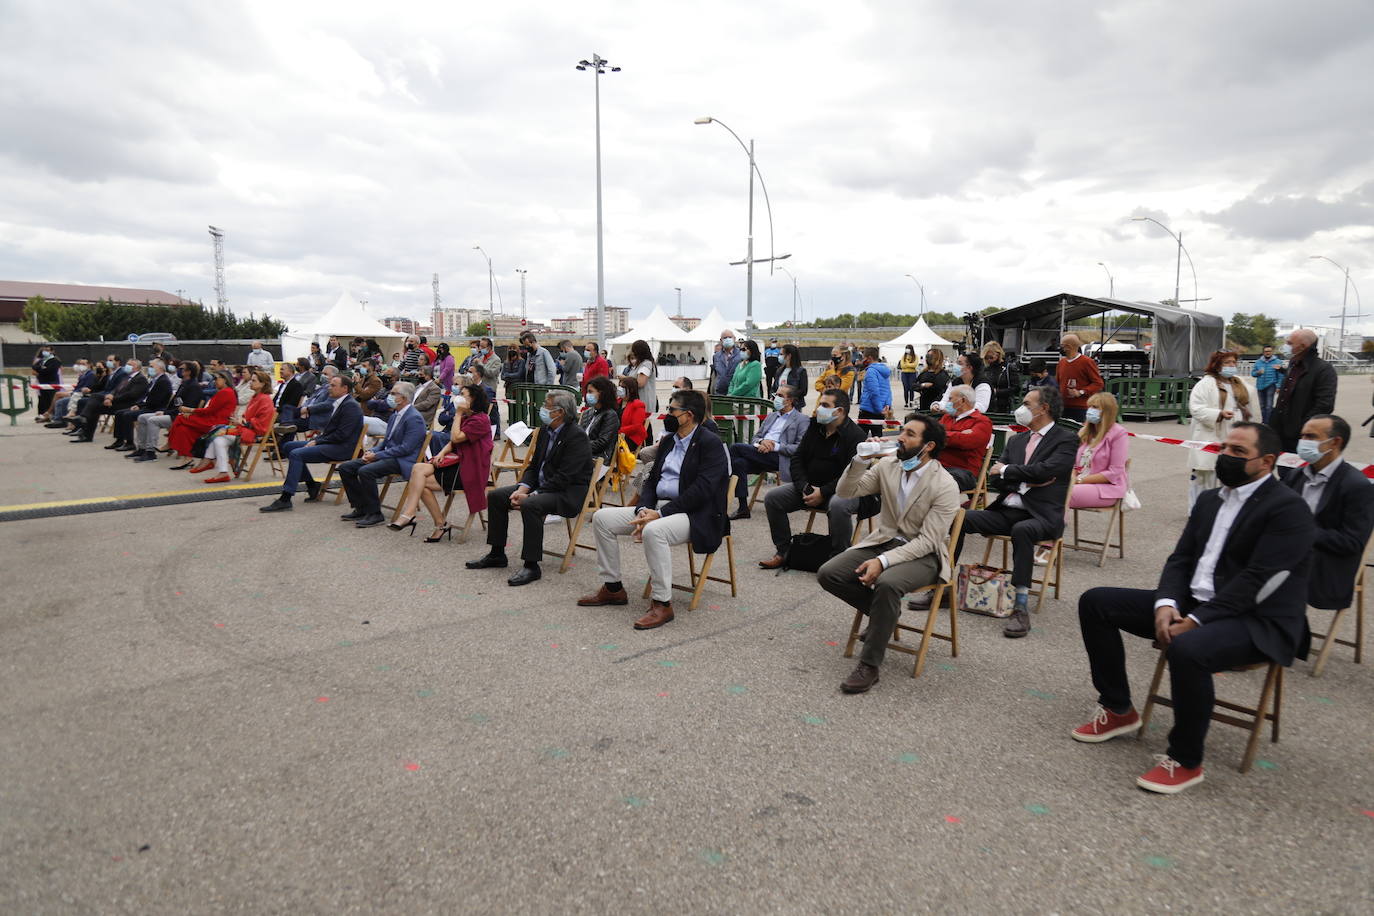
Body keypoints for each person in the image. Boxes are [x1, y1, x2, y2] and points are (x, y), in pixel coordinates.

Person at [1073, 423, 1315, 794]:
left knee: (1188, 648)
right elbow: (1181, 560)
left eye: (1238, 452)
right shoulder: (1210, 500)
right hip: (1194, 603)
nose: (1225, 457)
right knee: (1096, 602)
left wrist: (1198, 620)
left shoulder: (1288, 509)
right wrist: (1167, 603)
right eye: (1224, 448)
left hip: (1257, 618)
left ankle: (1186, 760)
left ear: (1267, 461)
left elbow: (1259, 581)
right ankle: (1118, 707)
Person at [818, 414, 961, 693]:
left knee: (887, 583)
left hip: (924, 553)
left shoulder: (944, 484)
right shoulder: (888, 465)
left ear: (928, 445)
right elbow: (846, 492)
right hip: (884, 540)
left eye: (909, 434)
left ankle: (870, 665)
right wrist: (859, 460)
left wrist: (882, 562)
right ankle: (885, 614)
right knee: (828, 573)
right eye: (902, 432)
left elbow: (929, 541)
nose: (900, 438)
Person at [579, 389, 728, 630]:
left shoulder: (710, 443)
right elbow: (652, 480)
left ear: (688, 415)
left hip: (695, 514)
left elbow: (702, 490)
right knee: (602, 518)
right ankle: (613, 588)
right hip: (658, 508)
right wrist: (643, 509)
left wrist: (659, 514)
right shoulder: (669, 441)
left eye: (672, 410)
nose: (667, 413)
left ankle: (662, 603)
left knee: (654, 531)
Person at [957, 386, 1077, 637]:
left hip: (1042, 516)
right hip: (1006, 511)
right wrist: (1019, 478)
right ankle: (942, 584)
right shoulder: (1017, 439)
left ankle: (1020, 607)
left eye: (1026, 403)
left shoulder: (1066, 439)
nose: (1020, 409)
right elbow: (996, 480)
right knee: (956, 519)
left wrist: (1007, 470)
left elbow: (1047, 469)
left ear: (1043, 408)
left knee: (1023, 531)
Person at [466, 391, 592, 586]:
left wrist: (533, 494)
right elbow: (534, 466)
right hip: (541, 486)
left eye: (547, 406)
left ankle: (532, 565)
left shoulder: (576, 436)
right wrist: (523, 488)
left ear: (559, 412)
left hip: (565, 492)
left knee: (531, 504)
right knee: (497, 496)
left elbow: (565, 477)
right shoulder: (544, 431)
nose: (542, 408)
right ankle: (497, 553)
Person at [757, 387, 871, 567]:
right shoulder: (815, 426)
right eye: (819, 404)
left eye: (825, 405)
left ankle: (838, 560)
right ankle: (784, 551)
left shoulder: (856, 436)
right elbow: (797, 458)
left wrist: (823, 492)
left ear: (839, 411)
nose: (818, 409)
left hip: (843, 491)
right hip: (809, 488)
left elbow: (850, 475)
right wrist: (805, 487)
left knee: (838, 505)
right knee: (773, 498)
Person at [1282, 415, 1374, 617]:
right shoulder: (1296, 476)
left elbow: (1352, 542)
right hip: (1287, 555)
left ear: (1335, 442)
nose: (1303, 442)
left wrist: (1303, 533)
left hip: (1323, 564)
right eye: (1302, 436)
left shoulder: (1356, 486)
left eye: (1311, 436)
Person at [391, 383, 494, 540]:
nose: (459, 398)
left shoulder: (480, 420)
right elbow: (452, 443)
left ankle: (437, 523)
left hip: (469, 470)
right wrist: (441, 453)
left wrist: (458, 414)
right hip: (457, 464)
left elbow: (456, 437)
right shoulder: (468, 417)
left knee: (420, 481)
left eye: (463, 395)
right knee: (418, 469)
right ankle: (411, 513)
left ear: (473, 399)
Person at [260, 374, 365, 511]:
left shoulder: (350, 406)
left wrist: (317, 441)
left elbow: (342, 435)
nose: (329, 388)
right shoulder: (339, 403)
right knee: (288, 446)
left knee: (297, 454)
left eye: (333, 385)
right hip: (332, 443)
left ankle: (286, 498)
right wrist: (317, 440)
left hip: (342, 448)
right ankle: (312, 485)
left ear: (345, 388)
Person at [337, 381, 427, 528]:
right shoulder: (394, 415)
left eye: (393, 394)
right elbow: (386, 442)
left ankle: (375, 513)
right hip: (388, 455)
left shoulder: (414, 418)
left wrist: (378, 456)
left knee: (365, 471)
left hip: (402, 460)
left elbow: (406, 448)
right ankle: (361, 507)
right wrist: (373, 452)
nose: (389, 396)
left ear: (403, 398)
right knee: (346, 468)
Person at [1188, 350, 1259, 510]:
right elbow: (1196, 408)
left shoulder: (1239, 383)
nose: (1231, 365)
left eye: (1234, 362)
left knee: (1229, 475)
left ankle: (1223, 509)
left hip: (1234, 436)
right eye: (1227, 362)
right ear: (1217, 364)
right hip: (1211, 434)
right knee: (1205, 477)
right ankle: (1198, 510)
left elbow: (1251, 407)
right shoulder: (1205, 384)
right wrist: (1218, 414)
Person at [727, 385, 807, 520]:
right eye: (776, 394)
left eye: (781, 396)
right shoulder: (771, 416)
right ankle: (743, 508)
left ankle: (721, 482)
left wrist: (774, 446)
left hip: (779, 457)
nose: (776, 398)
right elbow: (755, 438)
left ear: (790, 400)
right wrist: (762, 442)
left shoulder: (801, 419)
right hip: (760, 454)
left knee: (735, 448)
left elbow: (800, 448)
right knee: (739, 463)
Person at [198, 369, 274, 483]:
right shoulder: (256, 397)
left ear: (263, 384)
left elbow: (263, 422)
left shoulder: (265, 399)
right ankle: (222, 471)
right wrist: (240, 420)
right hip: (246, 429)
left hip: (254, 432)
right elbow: (247, 416)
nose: (250, 383)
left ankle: (209, 460)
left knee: (218, 432)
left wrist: (243, 422)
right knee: (218, 439)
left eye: (253, 381)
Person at [1269, 328, 1338, 453]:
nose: (1285, 346)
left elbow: (1325, 405)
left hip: (1300, 435)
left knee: (1297, 469)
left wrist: (1303, 427)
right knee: (1283, 468)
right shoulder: (1293, 364)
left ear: (1303, 346)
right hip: (1280, 432)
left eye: (1289, 343)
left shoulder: (1324, 369)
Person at [130, 362, 202, 462]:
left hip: (180, 417)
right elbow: (175, 403)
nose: (179, 371)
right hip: (172, 413)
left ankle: (150, 453)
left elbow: (186, 407)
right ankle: (142, 448)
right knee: (142, 417)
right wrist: (164, 411)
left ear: (188, 372)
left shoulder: (194, 386)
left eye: (182, 369)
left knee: (153, 420)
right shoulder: (184, 383)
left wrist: (166, 413)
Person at [1070, 392, 1130, 509]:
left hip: (1106, 488)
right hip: (1079, 483)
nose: (1090, 411)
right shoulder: (1083, 432)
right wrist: (1072, 477)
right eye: (1089, 407)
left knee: (1061, 494)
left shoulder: (1119, 433)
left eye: (1095, 407)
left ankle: (1051, 525)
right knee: (1047, 489)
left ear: (1107, 411)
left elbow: (1114, 472)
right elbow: (1073, 464)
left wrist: (1080, 480)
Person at [166, 370, 237, 466]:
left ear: (224, 380)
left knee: (180, 418)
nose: (214, 381)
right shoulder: (224, 391)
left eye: (216, 379)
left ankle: (170, 444)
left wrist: (190, 411)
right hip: (212, 419)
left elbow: (209, 411)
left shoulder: (225, 392)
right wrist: (192, 413)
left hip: (216, 423)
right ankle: (187, 457)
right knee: (183, 429)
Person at [71, 359, 148, 444]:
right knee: (94, 405)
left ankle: (83, 417)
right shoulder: (127, 377)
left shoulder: (140, 379)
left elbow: (131, 395)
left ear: (136, 367)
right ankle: (86, 435)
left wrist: (113, 398)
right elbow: (116, 389)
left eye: (129, 364)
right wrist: (109, 397)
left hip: (128, 404)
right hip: (117, 401)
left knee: (96, 398)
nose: (126, 366)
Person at [109, 359, 174, 451]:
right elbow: (145, 397)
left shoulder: (163, 381)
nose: (149, 369)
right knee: (119, 413)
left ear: (160, 368)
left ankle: (130, 443)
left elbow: (156, 401)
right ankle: (119, 440)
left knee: (127, 415)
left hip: (155, 409)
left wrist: (141, 406)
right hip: (148, 406)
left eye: (152, 367)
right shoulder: (154, 380)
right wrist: (139, 405)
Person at [937, 385, 993, 492]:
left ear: (962, 400)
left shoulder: (982, 421)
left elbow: (966, 441)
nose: (947, 402)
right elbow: (930, 435)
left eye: (950, 399)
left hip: (963, 471)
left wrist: (942, 435)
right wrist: (958, 434)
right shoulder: (947, 417)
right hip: (938, 466)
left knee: (938, 482)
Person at [1055, 334, 1105, 422]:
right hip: (1062, 406)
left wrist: (1081, 392)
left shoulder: (1087, 362)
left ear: (1068, 347)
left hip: (1081, 408)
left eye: (1062, 346)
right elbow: (1057, 384)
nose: (1060, 348)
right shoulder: (1061, 363)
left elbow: (1098, 383)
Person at [579, 376, 622, 467]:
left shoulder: (610, 415)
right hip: (583, 454)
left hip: (598, 460)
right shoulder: (588, 412)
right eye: (587, 392)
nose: (587, 395)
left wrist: (579, 447)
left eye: (590, 392)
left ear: (601, 393)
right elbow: (580, 435)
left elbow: (602, 443)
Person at [856, 346, 892, 431]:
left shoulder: (871, 371)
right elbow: (888, 390)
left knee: (861, 438)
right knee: (878, 438)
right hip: (882, 409)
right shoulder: (884, 370)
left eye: (864, 358)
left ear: (869, 358)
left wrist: (879, 409)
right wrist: (887, 405)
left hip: (869, 409)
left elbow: (874, 392)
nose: (862, 360)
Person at [620, 339, 658, 416]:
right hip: (637, 402)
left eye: (634, 350)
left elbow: (640, 383)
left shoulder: (646, 364)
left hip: (643, 402)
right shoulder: (640, 364)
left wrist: (625, 379)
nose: (633, 352)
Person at [983, 341, 1020, 414]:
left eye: (991, 357)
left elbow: (1016, 388)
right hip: (988, 405)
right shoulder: (985, 369)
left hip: (1004, 406)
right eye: (986, 358)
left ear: (998, 354)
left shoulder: (1008, 367)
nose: (989, 360)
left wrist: (997, 392)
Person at [1249, 344, 1283, 424]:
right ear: (1263, 352)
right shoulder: (1258, 362)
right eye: (1266, 351)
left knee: (1269, 406)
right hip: (1260, 386)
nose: (1267, 353)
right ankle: (1264, 421)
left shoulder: (1277, 361)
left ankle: (1268, 422)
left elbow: (1281, 375)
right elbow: (1253, 374)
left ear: (1272, 352)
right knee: (1262, 406)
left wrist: (1278, 386)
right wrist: (1258, 372)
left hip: (1271, 385)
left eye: (1269, 351)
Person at [31, 345, 62, 421]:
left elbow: (49, 371)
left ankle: (54, 416)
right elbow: (34, 366)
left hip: (51, 383)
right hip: (42, 383)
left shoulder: (55, 361)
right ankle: (46, 416)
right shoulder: (42, 360)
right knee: (44, 401)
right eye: (44, 350)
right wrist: (42, 368)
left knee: (52, 400)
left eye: (47, 350)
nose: (45, 352)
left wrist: (40, 369)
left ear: (52, 351)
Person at [270, 361, 305, 427]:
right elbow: (275, 400)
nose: (280, 371)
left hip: (284, 414)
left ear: (290, 371)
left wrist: (276, 410)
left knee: (262, 420)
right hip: (274, 411)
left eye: (282, 369)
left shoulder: (296, 385)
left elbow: (292, 404)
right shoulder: (282, 385)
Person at [618, 377, 649, 449]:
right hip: (618, 435)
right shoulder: (618, 402)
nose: (620, 389)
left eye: (623, 387)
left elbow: (636, 426)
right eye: (619, 386)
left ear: (631, 390)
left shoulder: (638, 405)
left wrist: (619, 431)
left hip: (631, 438)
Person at [711, 329, 745, 395]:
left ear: (734, 339)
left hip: (736, 391)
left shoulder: (741, 354)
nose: (727, 339)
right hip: (720, 392)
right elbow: (716, 374)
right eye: (725, 338)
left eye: (730, 337)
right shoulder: (716, 356)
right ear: (721, 340)